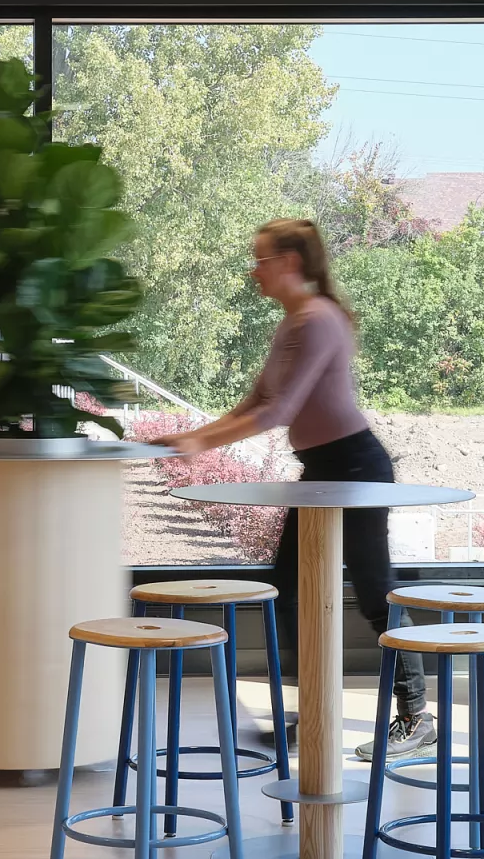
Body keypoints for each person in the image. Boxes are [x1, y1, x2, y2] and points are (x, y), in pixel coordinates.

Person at [166, 218, 435, 760]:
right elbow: (255, 400)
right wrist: (195, 435)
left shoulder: (316, 319)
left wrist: (201, 444)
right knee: (288, 588)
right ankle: (313, 709)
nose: (253, 271)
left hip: (355, 467)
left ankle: (415, 716)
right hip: (321, 469)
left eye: (260, 260)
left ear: (288, 262)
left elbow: (278, 412)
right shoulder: (294, 321)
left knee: (374, 588)